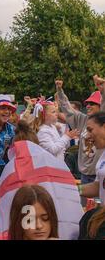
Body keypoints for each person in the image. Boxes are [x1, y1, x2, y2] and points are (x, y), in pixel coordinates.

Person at [56, 76, 105, 190]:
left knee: (100, 205)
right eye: (87, 103)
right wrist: (60, 91)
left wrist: (103, 89)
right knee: (86, 206)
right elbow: (67, 109)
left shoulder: (103, 124)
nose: (88, 106)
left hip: (100, 175)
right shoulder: (83, 120)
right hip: (85, 176)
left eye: (92, 103)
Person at [77, 111, 105, 239]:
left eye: (90, 130)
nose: (87, 136)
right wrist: (72, 189)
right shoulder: (103, 154)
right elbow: (98, 186)